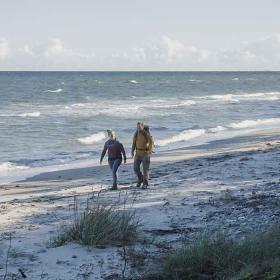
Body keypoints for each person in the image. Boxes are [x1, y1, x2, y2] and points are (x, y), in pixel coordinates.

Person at [131, 122, 153, 189]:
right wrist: (132, 151)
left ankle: (145, 184)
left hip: (145, 153)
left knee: (145, 170)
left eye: (139, 127)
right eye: (137, 127)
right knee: (135, 168)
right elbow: (134, 143)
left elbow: (151, 141)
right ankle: (140, 179)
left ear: (142, 127)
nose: (138, 128)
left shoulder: (146, 134)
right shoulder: (136, 133)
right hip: (138, 153)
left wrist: (150, 150)